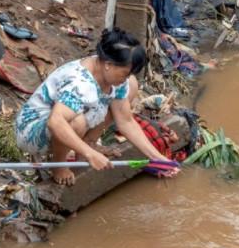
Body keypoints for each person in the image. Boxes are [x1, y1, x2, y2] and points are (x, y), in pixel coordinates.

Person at [15, 27, 178, 185]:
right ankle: (59, 165)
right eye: (125, 73)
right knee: (76, 122)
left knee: (131, 85)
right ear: (108, 64)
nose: (126, 77)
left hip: (65, 119)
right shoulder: (80, 83)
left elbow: (126, 121)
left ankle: (88, 142)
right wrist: (90, 154)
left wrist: (157, 158)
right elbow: (55, 121)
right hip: (32, 130)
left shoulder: (111, 73)